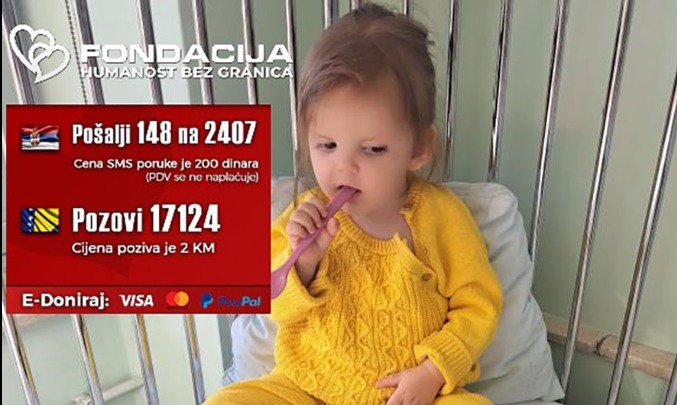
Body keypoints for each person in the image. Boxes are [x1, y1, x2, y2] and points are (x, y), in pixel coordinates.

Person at [205, 3, 502, 404]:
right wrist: (304, 262)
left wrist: (434, 371)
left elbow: (478, 305)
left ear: (419, 147)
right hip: (304, 388)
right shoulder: (299, 220)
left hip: (410, 394)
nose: (344, 167)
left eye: (374, 149)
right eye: (327, 145)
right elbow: (272, 303)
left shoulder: (441, 217)